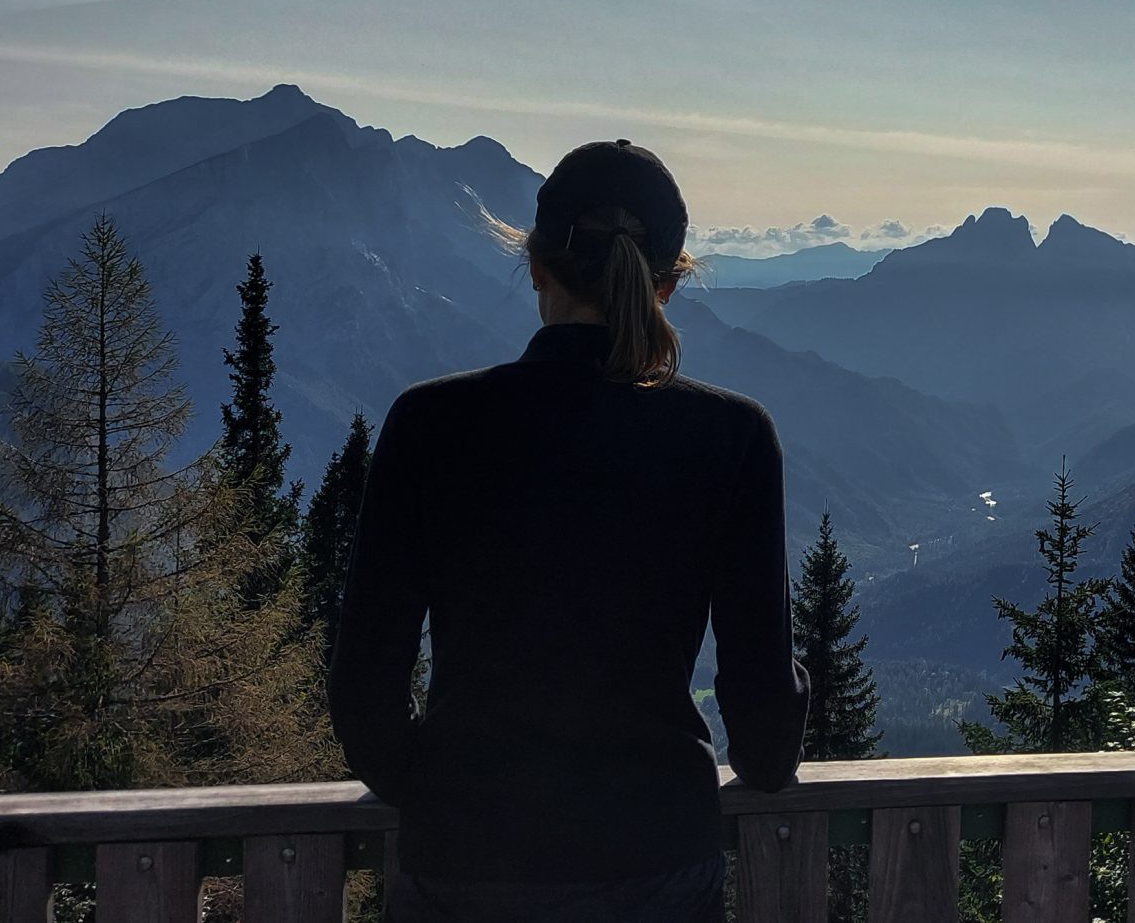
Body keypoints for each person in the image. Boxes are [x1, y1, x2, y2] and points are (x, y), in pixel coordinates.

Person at [329, 139, 812, 922]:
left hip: (461, 868)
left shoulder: (429, 425)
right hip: (655, 869)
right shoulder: (732, 438)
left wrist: (452, 794)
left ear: (536, 268)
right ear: (667, 285)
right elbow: (762, 733)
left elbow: (363, 694)